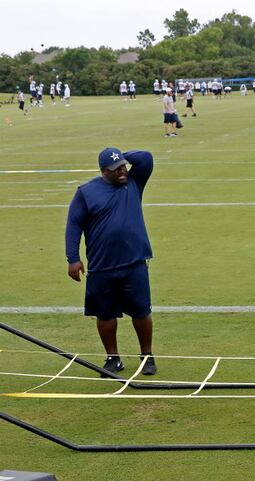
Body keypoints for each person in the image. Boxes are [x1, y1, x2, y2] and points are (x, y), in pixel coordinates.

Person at [65, 147, 157, 377]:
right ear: (104, 171)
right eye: (116, 169)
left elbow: (145, 158)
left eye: (124, 166)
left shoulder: (133, 183)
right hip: (101, 265)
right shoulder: (86, 192)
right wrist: (73, 258)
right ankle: (113, 358)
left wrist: (118, 155)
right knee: (105, 315)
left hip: (134, 261)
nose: (123, 171)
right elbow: (74, 224)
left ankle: (147, 356)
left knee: (141, 312)